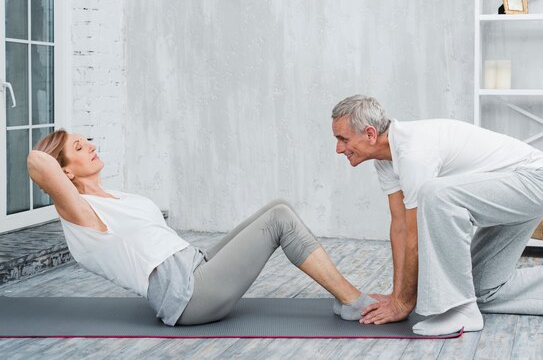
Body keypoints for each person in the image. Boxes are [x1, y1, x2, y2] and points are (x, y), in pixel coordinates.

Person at [28, 130, 376, 326]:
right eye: (78, 147)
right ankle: (354, 301)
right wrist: (59, 169)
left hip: (197, 267)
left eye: (86, 140)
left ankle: (347, 297)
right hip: (189, 297)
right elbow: (37, 161)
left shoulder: (112, 196)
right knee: (280, 221)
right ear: (65, 173)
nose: (91, 145)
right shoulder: (82, 215)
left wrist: (69, 151)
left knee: (276, 207)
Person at [330, 94, 543, 337]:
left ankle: (460, 309)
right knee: (482, 289)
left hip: (532, 181)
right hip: (504, 191)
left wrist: (403, 303)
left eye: (343, 139)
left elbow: (416, 234)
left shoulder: (413, 152)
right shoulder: (386, 160)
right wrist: (396, 296)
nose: (339, 148)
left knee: (435, 195)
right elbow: (400, 227)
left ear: (369, 134)